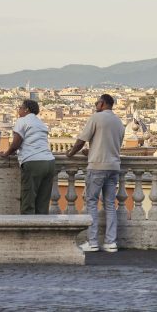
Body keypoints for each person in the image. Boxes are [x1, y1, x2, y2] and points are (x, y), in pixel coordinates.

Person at [66, 93, 125, 252]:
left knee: (91, 202)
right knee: (110, 205)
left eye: (97, 102)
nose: (95, 105)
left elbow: (81, 141)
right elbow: (110, 145)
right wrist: (91, 152)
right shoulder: (119, 122)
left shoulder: (96, 118)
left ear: (103, 103)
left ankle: (92, 242)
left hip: (97, 166)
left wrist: (71, 153)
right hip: (113, 167)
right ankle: (111, 242)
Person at [0, 99, 56, 214]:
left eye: (20, 107)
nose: (18, 110)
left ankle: (28, 230)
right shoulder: (41, 123)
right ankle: (42, 229)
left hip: (33, 162)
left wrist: (6, 153)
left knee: (28, 201)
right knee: (43, 202)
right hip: (49, 162)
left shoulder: (22, 120)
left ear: (26, 109)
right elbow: (33, 142)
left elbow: (16, 143)